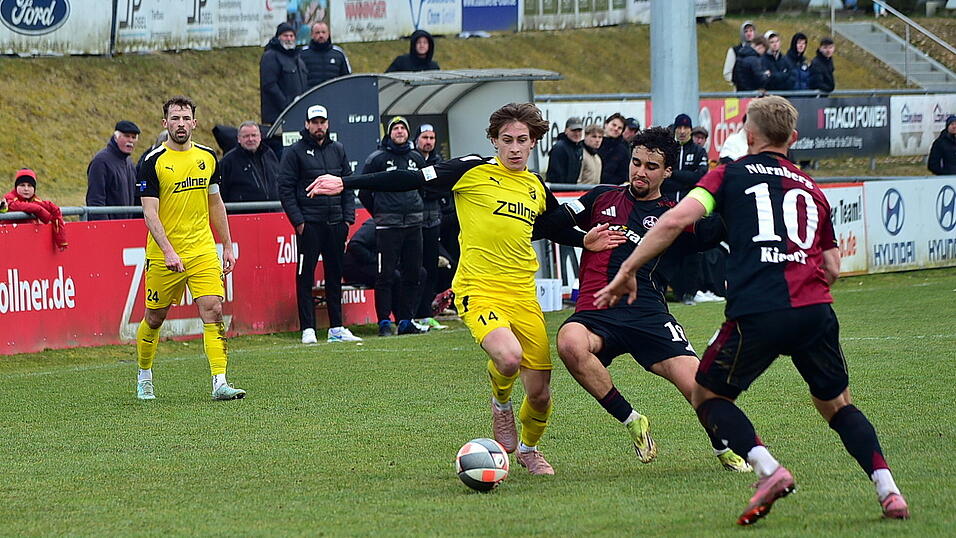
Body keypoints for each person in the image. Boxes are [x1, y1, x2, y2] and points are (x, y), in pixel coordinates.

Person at [595, 96, 910, 525]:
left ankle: (768, 468)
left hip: (759, 309)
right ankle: (889, 491)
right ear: (792, 138)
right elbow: (833, 266)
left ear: (749, 135)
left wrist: (628, 269)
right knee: (838, 405)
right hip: (815, 310)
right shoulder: (812, 188)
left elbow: (673, 221)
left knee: (707, 395)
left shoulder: (728, 174)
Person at [306, 103, 619, 475]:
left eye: (522, 140)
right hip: (478, 289)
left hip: (523, 295)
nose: (514, 148)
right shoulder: (471, 170)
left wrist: (584, 240)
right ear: (494, 141)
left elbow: (551, 227)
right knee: (508, 357)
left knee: (540, 393)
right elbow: (409, 178)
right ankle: (501, 403)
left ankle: (529, 450)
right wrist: (346, 182)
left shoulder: (535, 186)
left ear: (534, 142)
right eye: (507, 140)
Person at [537, 127, 750, 472]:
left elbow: (710, 233)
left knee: (697, 384)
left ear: (667, 172)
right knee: (569, 342)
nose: (640, 171)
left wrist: (736, 199)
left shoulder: (673, 214)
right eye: (636, 162)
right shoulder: (601, 197)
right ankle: (633, 420)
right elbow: (546, 225)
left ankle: (723, 446)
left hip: (647, 314)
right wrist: (582, 239)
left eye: (651, 167)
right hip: (597, 310)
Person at [134, 96, 244, 401]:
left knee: (214, 309)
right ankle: (144, 375)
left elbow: (215, 203)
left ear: (194, 123)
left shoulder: (208, 157)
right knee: (154, 318)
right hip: (164, 253)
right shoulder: (152, 161)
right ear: (165, 123)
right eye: (175, 118)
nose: (180, 124)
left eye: (185, 118)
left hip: (202, 249)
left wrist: (227, 245)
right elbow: (150, 213)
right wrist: (168, 251)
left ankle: (220, 382)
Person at [278, 104, 361, 344]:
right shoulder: (295, 152)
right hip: (310, 224)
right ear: (307, 124)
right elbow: (285, 188)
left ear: (327, 124)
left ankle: (337, 327)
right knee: (305, 276)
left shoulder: (338, 149)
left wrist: (347, 219)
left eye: (322, 122)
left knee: (335, 275)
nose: (318, 126)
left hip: (336, 223)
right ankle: (308, 328)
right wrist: (299, 221)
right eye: (314, 122)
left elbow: (347, 184)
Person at [359, 116, 428, 336]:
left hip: (413, 224)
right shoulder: (377, 159)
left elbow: (425, 186)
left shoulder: (416, 157)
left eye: (403, 128)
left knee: (413, 274)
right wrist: (379, 213)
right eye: (395, 128)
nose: (399, 131)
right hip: (387, 226)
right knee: (385, 275)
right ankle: (384, 322)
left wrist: (416, 206)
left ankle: (406, 320)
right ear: (389, 133)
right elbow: (364, 191)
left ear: (408, 133)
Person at [412, 124, 449, 329]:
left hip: (433, 220)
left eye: (432, 138)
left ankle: (426, 313)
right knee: (415, 268)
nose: (428, 141)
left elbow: (443, 188)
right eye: (425, 137)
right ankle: (411, 313)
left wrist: (427, 190)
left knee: (432, 268)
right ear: (417, 139)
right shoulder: (411, 159)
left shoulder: (439, 162)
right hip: (414, 222)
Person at [86, 120, 140, 220]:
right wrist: (105, 227)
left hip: (126, 226)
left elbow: (137, 194)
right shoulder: (101, 162)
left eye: (133, 137)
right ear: (116, 137)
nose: (130, 141)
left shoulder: (130, 164)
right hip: (109, 226)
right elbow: (95, 200)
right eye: (127, 136)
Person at [4, 168, 68, 250]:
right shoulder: (9, 198)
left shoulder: (36, 201)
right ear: (16, 187)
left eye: (30, 185)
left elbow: (55, 210)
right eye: (22, 185)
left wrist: (61, 241)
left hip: (30, 245)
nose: (26, 189)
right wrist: (38, 210)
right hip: (9, 244)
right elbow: (13, 205)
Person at [219, 121, 280, 203]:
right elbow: (220, 193)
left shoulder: (269, 155)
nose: (250, 139)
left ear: (260, 137)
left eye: (254, 135)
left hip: (273, 209)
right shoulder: (228, 162)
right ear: (239, 139)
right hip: (241, 211)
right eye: (246, 136)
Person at [260, 22, 308, 125]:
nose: (289, 39)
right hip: (278, 116)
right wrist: (287, 105)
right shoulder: (270, 56)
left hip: (298, 113)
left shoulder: (298, 58)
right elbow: (269, 85)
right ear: (278, 37)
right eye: (285, 36)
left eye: (291, 36)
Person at [301, 22, 351, 89]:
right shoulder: (302, 54)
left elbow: (347, 78)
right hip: (311, 94)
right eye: (317, 33)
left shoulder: (339, 54)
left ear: (328, 34)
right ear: (312, 35)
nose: (321, 35)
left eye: (323, 32)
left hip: (334, 93)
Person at [546, 117, 584, 184]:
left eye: (579, 131)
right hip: (559, 189)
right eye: (573, 130)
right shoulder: (559, 148)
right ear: (566, 131)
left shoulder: (578, 148)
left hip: (570, 188)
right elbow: (556, 176)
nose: (577, 134)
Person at [598, 113, 630, 184]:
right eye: (614, 125)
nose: (616, 129)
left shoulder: (623, 150)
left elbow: (624, 175)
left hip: (611, 188)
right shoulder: (594, 143)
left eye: (620, 128)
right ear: (606, 124)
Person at [724, 21, 756, 87]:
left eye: (751, 31)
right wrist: (739, 82)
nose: (749, 33)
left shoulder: (759, 50)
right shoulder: (734, 51)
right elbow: (727, 73)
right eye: (746, 31)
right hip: (740, 89)